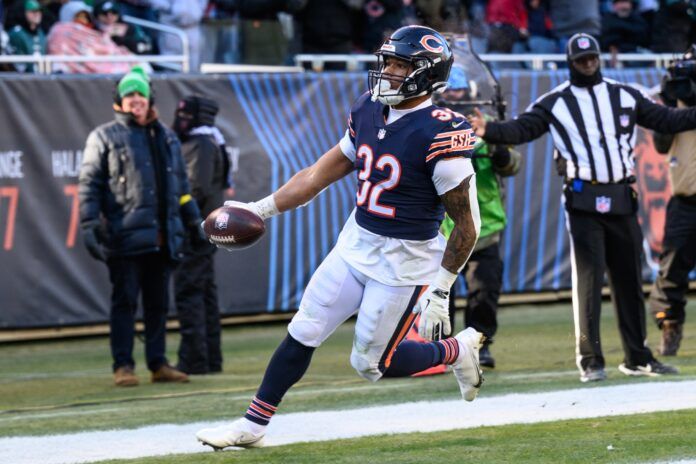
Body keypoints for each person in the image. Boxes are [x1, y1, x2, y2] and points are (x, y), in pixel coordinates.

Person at [196, 25, 485, 450]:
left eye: (400, 64)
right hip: (356, 242)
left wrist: (441, 290)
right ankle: (252, 425)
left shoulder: (440, 133)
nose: (387, 72)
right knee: (304, 329)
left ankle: (455, 351)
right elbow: (316, 175)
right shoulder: (368, 108)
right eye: (387, 61)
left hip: (405, 260)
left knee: (370, 363)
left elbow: (466, 225)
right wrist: (260, 209)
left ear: (426, 73)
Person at [468, 32, 689, 383]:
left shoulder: (625, 94)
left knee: (630, 280)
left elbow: (666, 121)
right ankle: (590, 360)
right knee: (587, 283)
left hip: (621, 196)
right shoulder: (556, 101)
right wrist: (489, 129)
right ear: (571, 64)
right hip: (583, 200)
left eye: (592, 59)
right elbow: (523, 129)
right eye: (581, 61)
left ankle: (637, 356)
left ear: (599, 58)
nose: (588, 65)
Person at [78, 66, 203, 387]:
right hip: (124, 236)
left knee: (159, 304)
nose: (136, 100)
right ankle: (123, 366)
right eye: (130, 94)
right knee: (125, 302)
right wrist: (90, 223)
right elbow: (89, 184)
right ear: (119, 102)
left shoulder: (167, 136)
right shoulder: (103, 136)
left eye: (141, 94)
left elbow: (181, 186)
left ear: (150, 100)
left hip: (164, 237)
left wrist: (194, 222)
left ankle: (158, 363)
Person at [437, 65, 522, 368]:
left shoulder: (485, 122)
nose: (455, 96)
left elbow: (512, 165)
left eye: (460, 91)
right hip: (442, 228)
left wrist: (499, 152)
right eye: (450, 91)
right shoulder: (432, 125)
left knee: (484, 290)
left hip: (484, 223)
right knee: (440, 294)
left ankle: (480, 345)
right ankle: (441, 351)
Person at [172, 95, 230, 375]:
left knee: (191, 292)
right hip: (204, 228)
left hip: (195, 231)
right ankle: (209, 358)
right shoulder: (209, 142)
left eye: (185, 116)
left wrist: (188, 219)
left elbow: (197, 189)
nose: (179, 121)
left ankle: (195, 359)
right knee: (204, 292)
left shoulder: (200, 145)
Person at [648, 53, 696, 356]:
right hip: (685, 199)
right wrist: (669, 102)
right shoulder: (675, 109)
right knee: (671, 271)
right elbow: (661, 144)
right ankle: (670, 328)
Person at [8, 0, 46, 73]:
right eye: (33, 11)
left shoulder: (41, 33)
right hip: (23, 80)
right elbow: (18, 65)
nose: (37, 14)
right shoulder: (16, 34)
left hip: (42, 79)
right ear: (23, 13)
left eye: (39, 11)